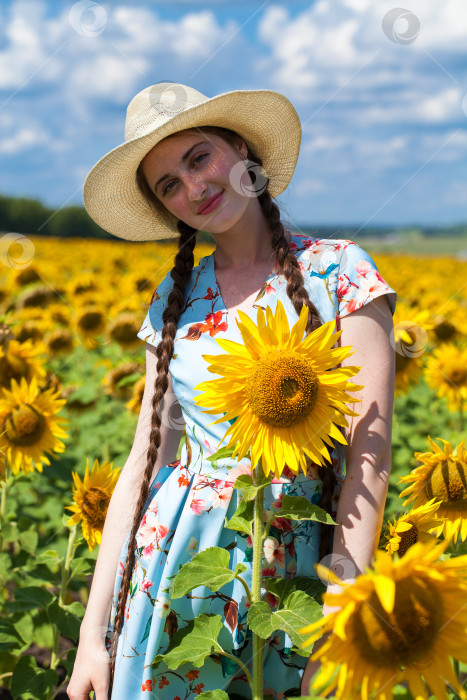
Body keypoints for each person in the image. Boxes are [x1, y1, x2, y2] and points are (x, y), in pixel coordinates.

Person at [67, 82, 397, 700]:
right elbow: (145, 460)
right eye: (169, 184)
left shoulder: (339, 272)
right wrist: (93, 633)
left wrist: (345, 599)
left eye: (198, 158)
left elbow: (368, 455)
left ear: (240, 149)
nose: (193, 187)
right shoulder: (173, 302)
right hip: (174, 568)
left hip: (300, 573)